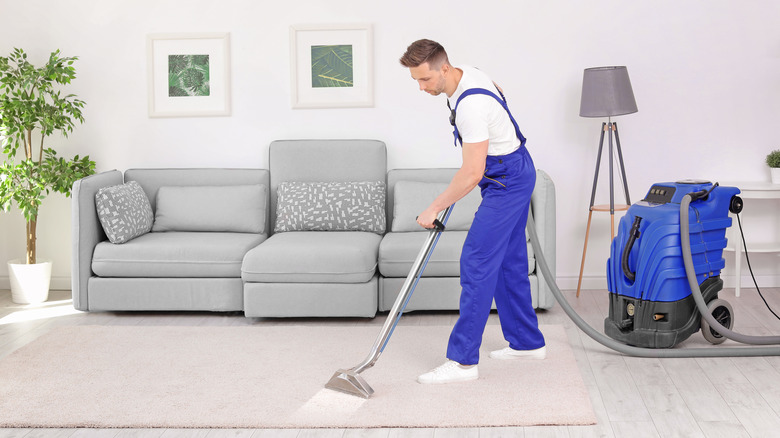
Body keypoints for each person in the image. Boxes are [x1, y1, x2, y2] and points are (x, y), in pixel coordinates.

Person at [399, 39, 546, 384]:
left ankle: (463, 361)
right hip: (515, 169)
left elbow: (471, 173)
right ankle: (527, 343)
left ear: (444, 69)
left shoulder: (471, 107)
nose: (422, 88)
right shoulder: (470, 74)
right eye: (416, 81)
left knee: (476, 262)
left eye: (425, 80)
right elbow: (498, 89)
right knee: (509, 261)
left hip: (506, 180)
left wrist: (434, 206)